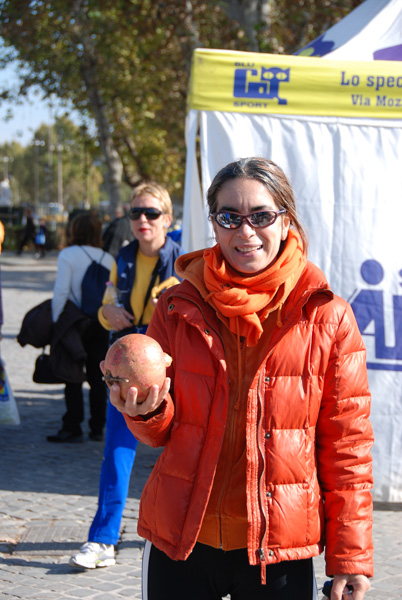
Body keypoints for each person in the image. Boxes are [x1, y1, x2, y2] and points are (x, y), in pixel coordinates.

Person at [107, 158, 374, 600]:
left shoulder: (327, 316)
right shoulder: (177, 305)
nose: (245, 232)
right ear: (214, 223)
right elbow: (161, 432)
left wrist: (350, 556)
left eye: (262, 216)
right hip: (183, 539)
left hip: (279, 549)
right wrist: (146, 410)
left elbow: (347, 446)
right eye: (229, 217)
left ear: (285, 219)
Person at [69, 181, 181, 569]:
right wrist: (107, 314)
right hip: (124, 371)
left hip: (171, 372)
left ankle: (181, 538)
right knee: (117, 452)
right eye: (136, 213)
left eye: (151, 213)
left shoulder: (182, 263)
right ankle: (103, 540)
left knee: (183, 456)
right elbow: (107, 306)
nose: (143, 220)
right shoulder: (124, 257)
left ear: (167, 219)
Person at [47, 213, 114, 443]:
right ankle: (97, 427)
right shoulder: (108, 258)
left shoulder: (68, 255)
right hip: (100, 322)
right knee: (98, 377)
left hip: (74, 323)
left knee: (72, 374)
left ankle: (72, 425)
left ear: (74, 230)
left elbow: (61, 292)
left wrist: (57, 323)